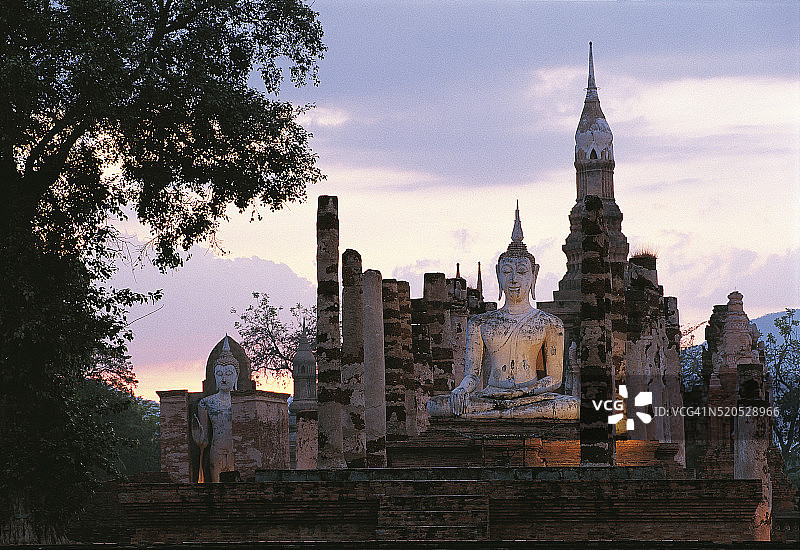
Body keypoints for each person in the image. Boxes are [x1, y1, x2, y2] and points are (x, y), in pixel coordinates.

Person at [428, 204, 578, 419]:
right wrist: (461, 389)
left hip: (530, 396)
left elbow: (554, 379)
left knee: (572, 406)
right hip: (491, 395)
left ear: (534, 275)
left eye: (522, 272)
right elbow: (472, 374)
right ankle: (501, 412)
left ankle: (500, 413)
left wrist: (524, 392)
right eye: (507, 272)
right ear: (498, 275)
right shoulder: (480, 322)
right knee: (437, 405)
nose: (514, 279)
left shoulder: (549, 323)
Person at [192, 336, 238, 482]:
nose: (224, 378)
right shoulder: (206, 403)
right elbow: (204, 439)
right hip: (216, 449)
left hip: (235, 450)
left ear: (236, 377)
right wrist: (199, 438)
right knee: (216, 486)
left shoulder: (241, 403)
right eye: (219, 374)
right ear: (214, 377)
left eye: (229, 374)